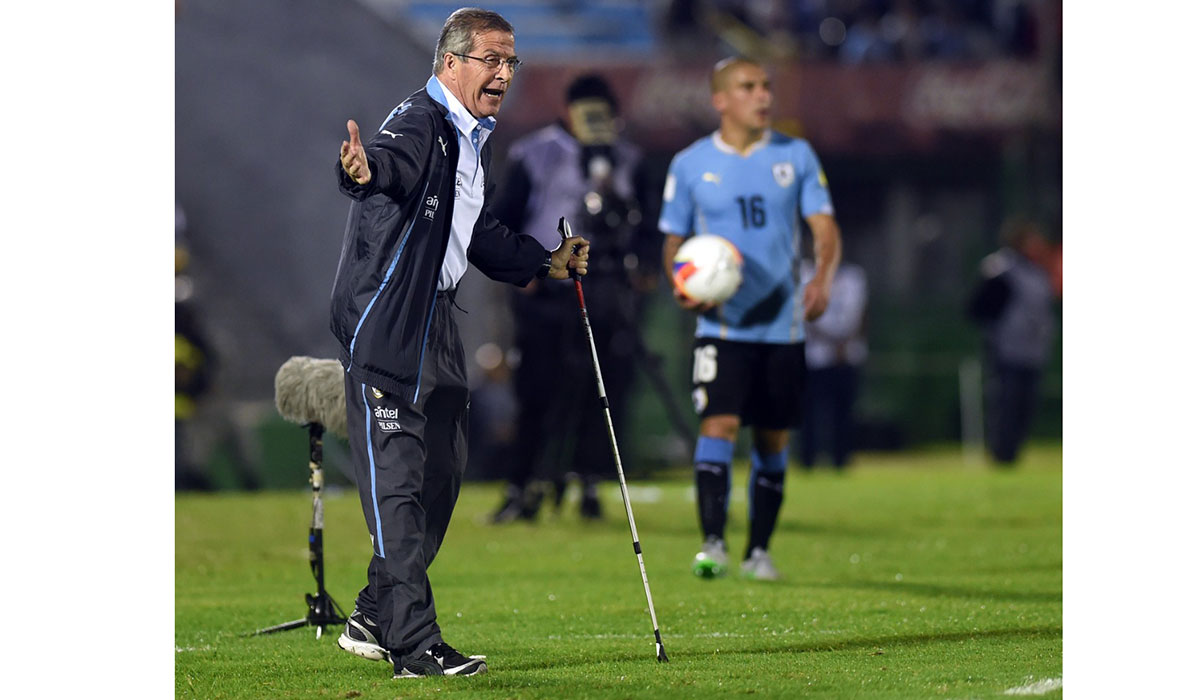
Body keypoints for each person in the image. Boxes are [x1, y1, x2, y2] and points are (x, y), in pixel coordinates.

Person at [328, 8, 589, 679]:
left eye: (511, 61)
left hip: (437, 323)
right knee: (398, 488)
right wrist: (361, 172)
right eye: (491, 59)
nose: (503, 73)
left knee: (442, 473)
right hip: (388, 324)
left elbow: (479, 234)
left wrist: (546, 262)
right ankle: (414, 647)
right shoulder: (421, 121)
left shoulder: (473, 136)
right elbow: (386, 165)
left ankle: (372, 613)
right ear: (451, 62)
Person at [659, 56, 843, 581]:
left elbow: (825, 228)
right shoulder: (690, 163)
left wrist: (823, 277)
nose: (763, 95)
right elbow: (674, 239)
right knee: (718, 422)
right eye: (748, 87)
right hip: (721, 324)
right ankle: (713, 542)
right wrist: (682, 285)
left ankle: (758, 551)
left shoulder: (796, 155)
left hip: (782, 324)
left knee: (772, 436)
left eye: (766, 86)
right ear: (720, 99)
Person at [488, 73, 658, 523]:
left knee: (604, 392)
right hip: (547, 292)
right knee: (537, 391)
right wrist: (523, 272)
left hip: (608, 292)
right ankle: (521, 485)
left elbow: (646, 227)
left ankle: (591, 480)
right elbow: (503, 219)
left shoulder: (628, 159)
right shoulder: (533, 152)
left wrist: (644, 267)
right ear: (567, 110)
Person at [967, 218, 1058, 466]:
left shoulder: (1039, 271)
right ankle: (1002, 454)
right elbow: (980, 307)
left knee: (1026, 405)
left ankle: (1014, 451)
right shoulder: (1000, 268)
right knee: (1007, 402)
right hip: (1007, 348)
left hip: (1034, 350)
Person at [797, 257, 868, 470]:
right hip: (814, 357)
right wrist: (831, 341)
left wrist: (846, 343)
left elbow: (864, 312)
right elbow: (803, 315)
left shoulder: (854, 276)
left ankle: (841, 459)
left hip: (847, 356)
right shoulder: (805, 274)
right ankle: (808, 460)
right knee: (810, 413)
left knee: (844, 412)